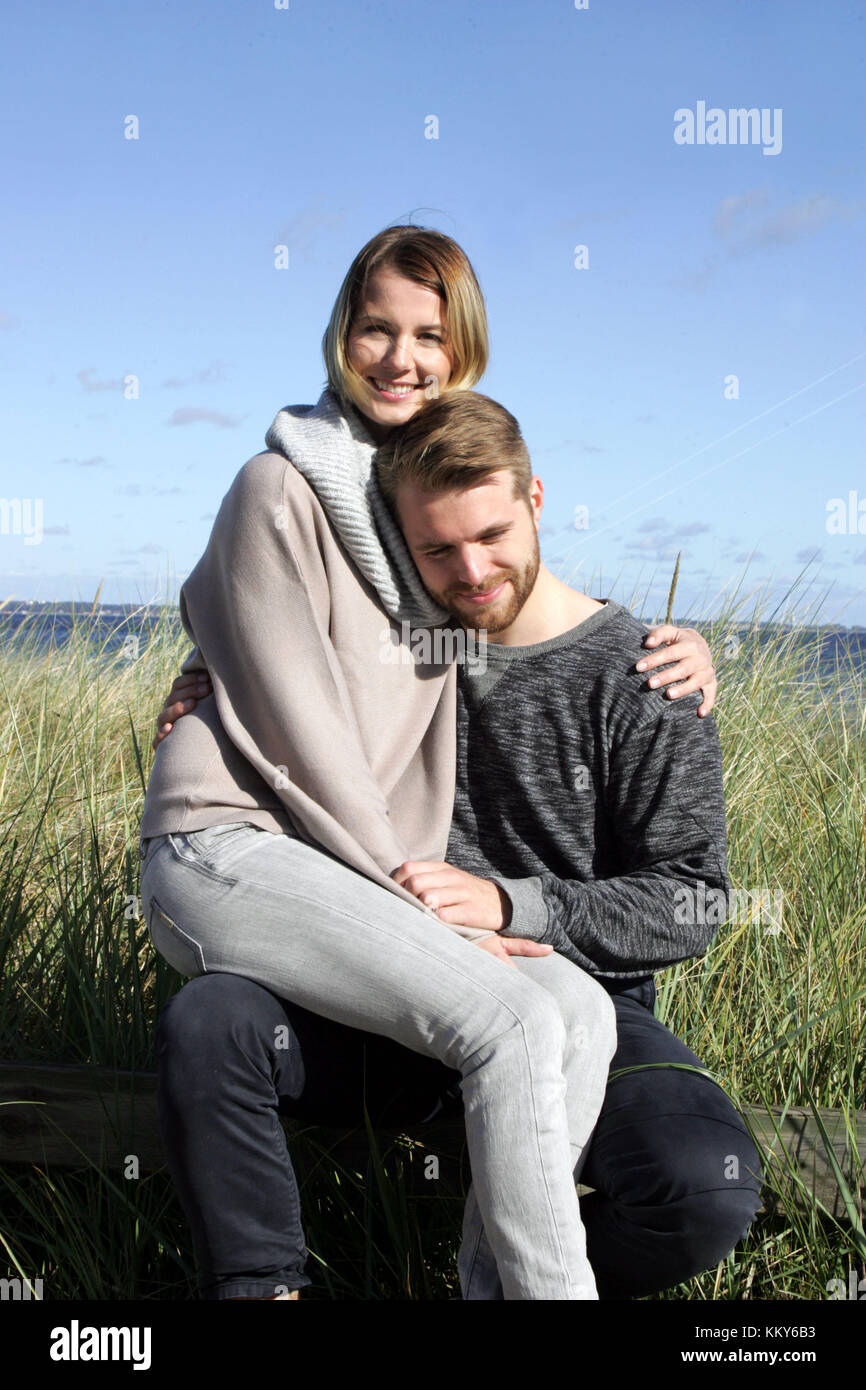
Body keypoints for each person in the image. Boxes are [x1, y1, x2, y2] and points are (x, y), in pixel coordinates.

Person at [140, 224, 722, 1301]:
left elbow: (497, 576)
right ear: (338, 334)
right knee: (504, 1021)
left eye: (428, 334)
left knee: (583, 1013)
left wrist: (675, 649)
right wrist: (436, 912)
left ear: (464, 353)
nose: (400, 357)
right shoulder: (283, 485)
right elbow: (299, 724)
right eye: (376, 328)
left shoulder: (410, 511)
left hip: (368, 880)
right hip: (241, 843)